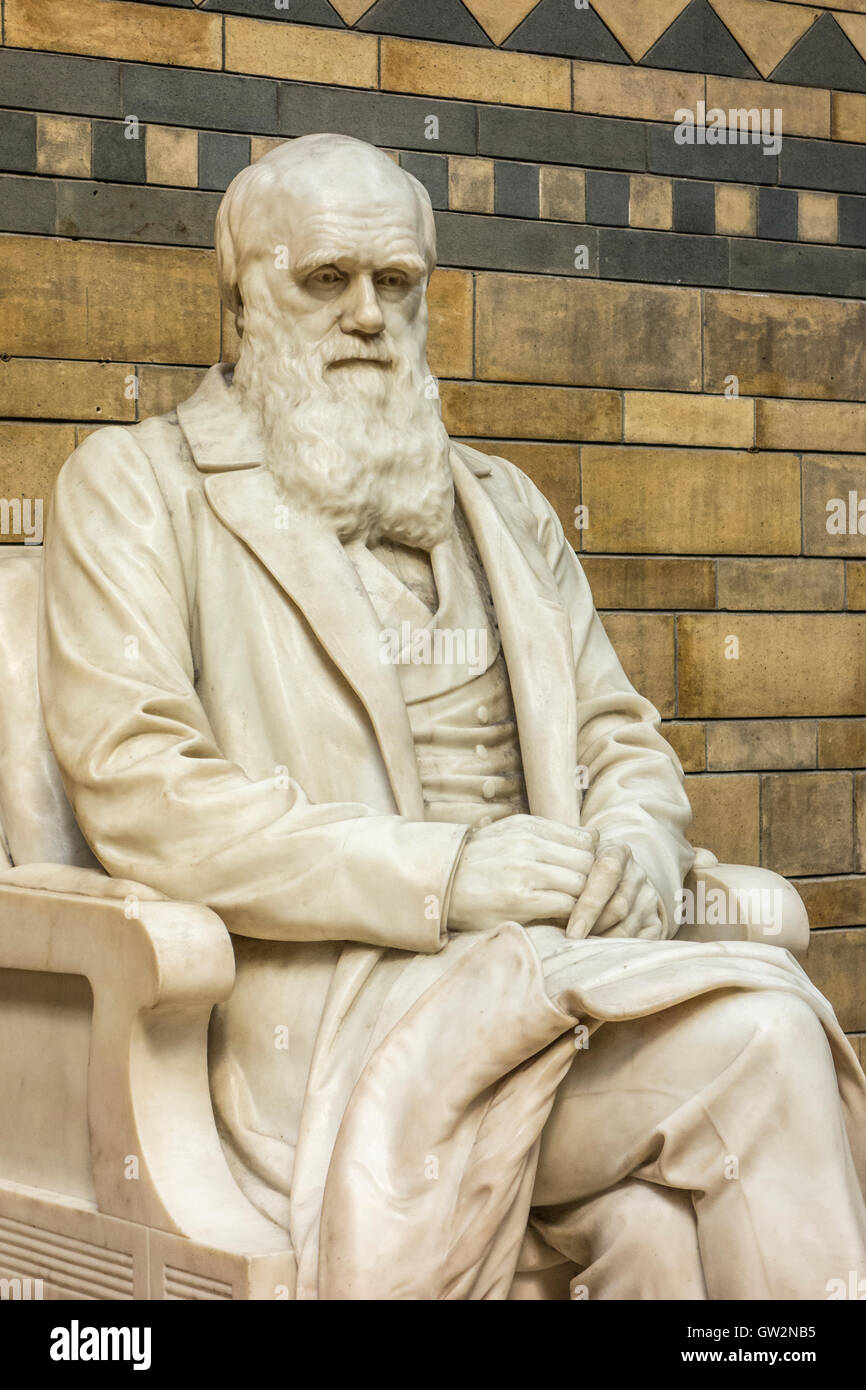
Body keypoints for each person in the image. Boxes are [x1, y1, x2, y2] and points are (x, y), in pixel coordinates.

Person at [39, 133, 866, 1300]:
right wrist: (448, 869)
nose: (368, 314)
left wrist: (636, 841)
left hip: (569, 963)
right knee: (767, 1041)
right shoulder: (136, 491)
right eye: (325, 279)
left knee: (654, 1233)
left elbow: (615, 731)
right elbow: (145, 789)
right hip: (344, 1000)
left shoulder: (500, 504)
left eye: (397, 284)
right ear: (239, 304)